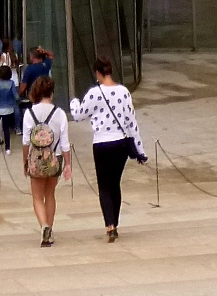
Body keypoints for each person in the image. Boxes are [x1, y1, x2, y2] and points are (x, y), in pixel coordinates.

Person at [70, 56, 142, 242]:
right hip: (120, 143)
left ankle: (109, 225)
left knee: (104, 186)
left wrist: (74, 102)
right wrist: (139, 149)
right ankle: (115, 223)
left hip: (102, 143)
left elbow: (78, 115)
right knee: (115, 184)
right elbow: (131, 122)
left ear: (97, 73)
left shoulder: (94, 93)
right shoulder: (124, 92)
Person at [22, 73, 71, 246]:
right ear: (51, 92)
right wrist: (68, 164)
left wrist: (25, 162)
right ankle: (49, 228)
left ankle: (43, 226)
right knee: (50, 193)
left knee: (37, 196)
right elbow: (65, 142)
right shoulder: (59, 113)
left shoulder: (29, 113)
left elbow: (26, 142)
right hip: (55, 158)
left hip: (36, 158)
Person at [0, 61, 19, 153]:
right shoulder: (11, 83)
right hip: (8, 109)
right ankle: (8, 148)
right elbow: (16, 96)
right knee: (6, 129)